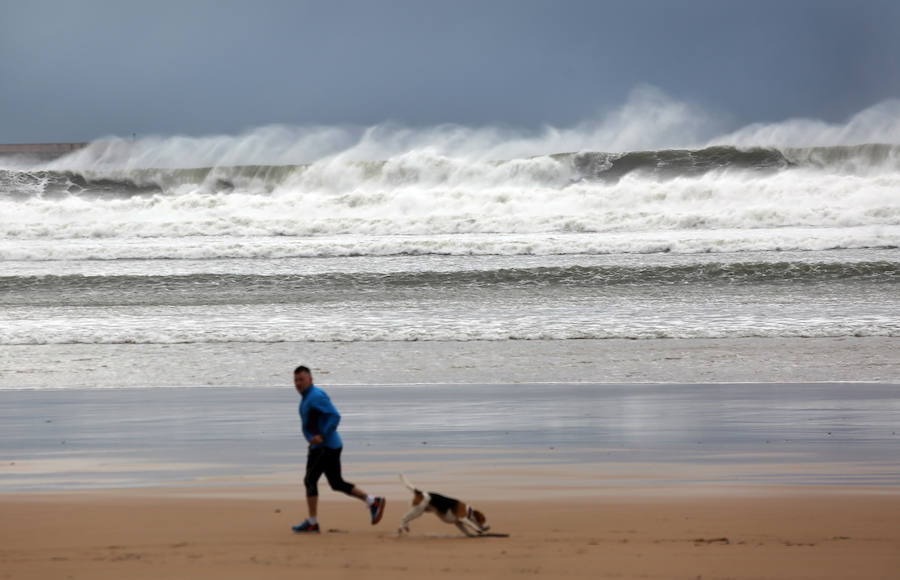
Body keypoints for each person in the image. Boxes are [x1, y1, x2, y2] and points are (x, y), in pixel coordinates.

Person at [291, 365, 385, 533]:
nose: (298, 383)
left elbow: (335, 416)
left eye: (301, 379)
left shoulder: (316, 396)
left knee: (310, 480)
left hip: (325, 447)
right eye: (296, 380)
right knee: (336, 483)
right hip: (323, 446)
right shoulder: (307, 398)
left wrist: (322, 436)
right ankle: (373, 502)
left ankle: (313, 522)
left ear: (310, 380)